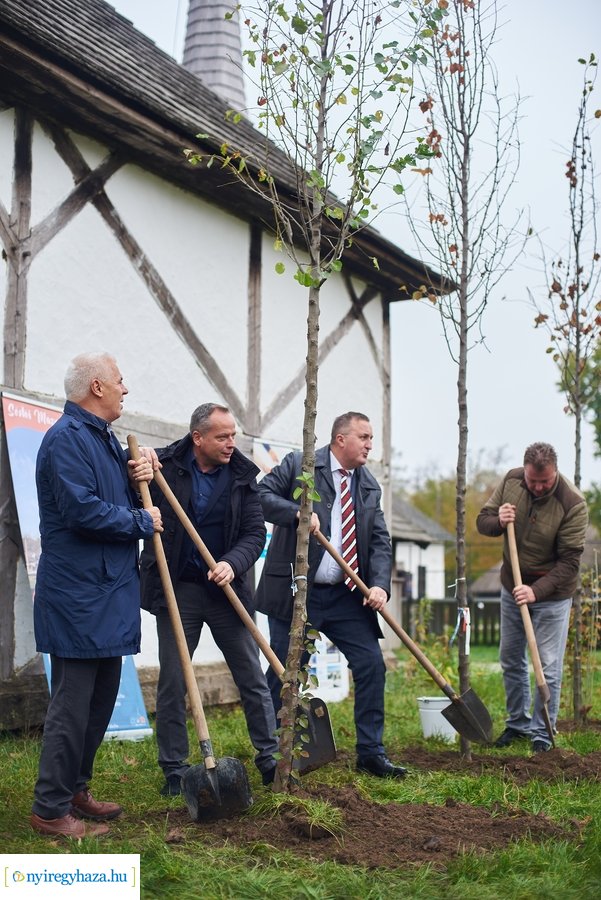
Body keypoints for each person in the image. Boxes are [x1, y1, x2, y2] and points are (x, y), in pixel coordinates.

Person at [30, 352, 162, 839]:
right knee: (72, 705)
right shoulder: (66, 440)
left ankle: (75, 790)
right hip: (78, 598)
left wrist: (137, 483)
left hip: (106, 594)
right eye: (120, 381)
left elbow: (109, 499)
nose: (126, 389)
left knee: (100, 700)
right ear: (98, 388)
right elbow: (82, 511)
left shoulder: (101, 439)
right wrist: (139, 522)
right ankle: (49, 809)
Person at [255, 411, 407, 778]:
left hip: (344, 595)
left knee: (371, 664)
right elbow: (259, 496)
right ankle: (273, 754)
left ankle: (371, 752)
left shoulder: (368, 485)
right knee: (286, 672)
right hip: (297, 590)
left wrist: (380, 585)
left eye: (371, 438)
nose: (370, 444)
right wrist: (297, 512)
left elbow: (380, 540)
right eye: (364, 437)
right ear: (341, 439)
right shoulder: (300, 465)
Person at [140, 403, 279, 795]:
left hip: (226, 591)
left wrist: (232, 564)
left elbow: (255, 533)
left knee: (251, 676)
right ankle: (174, 769)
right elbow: (130, 488)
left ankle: (270, 758)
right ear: (198, 437)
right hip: (177, 587)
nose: (231, 443)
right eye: (222, 436)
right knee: (173, 680)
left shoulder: (243, 475)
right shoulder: (164, 464)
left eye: (233, 435)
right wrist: (139, 462)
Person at [476, 442, 588, 753]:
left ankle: (542, 734)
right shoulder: (512, 482)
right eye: (533, 480)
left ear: (555, 472)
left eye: (545, 481)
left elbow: (569, 565)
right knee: (511, 657)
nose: (538, 487)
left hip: (552, 593)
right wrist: (498, 519)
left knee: (548, 666)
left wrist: (535, 591)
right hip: (513, 585)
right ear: (525, 471)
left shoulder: (573, 504)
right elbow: (481, 522)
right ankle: (518, 724)